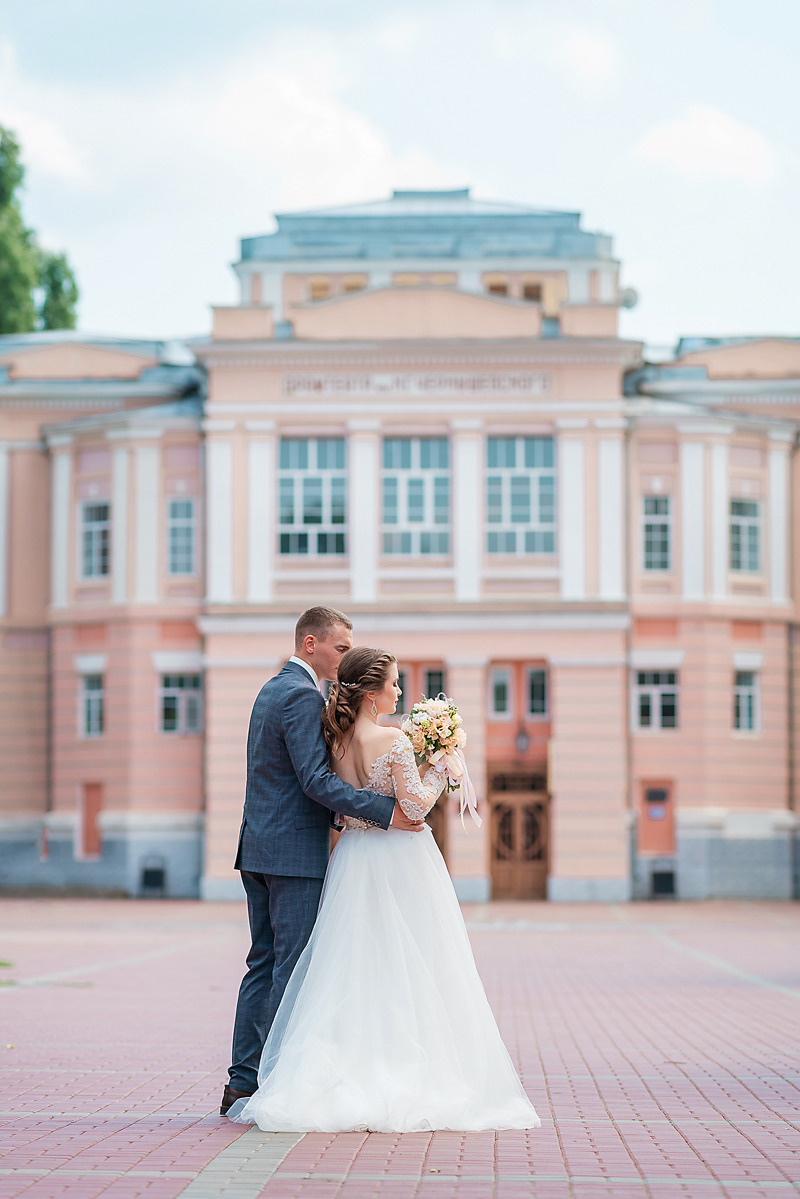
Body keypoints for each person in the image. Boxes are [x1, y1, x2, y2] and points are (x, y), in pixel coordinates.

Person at [226, 646, 540, 1133]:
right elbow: (413, 808)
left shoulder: (336, 740)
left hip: (352, 856)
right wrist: (445, 764)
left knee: (347, 964)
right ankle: (398, 1064)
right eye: (393, 683)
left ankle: (286, 1071)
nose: (399, 692)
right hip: (395, 858)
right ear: (372, 694)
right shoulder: (391, 739)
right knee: (409, 961)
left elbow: (333, 798)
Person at [221, 608, 425, 1118]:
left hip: (261, 847)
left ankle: (242, 1081)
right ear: (310, 643)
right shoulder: (299, 694)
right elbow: (314, 780)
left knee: (263, 963)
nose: (345, 657)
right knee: (291, 967)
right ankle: (273, 1082)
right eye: (340, 648)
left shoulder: (272, 688)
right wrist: (383, 811)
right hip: (290, 854)